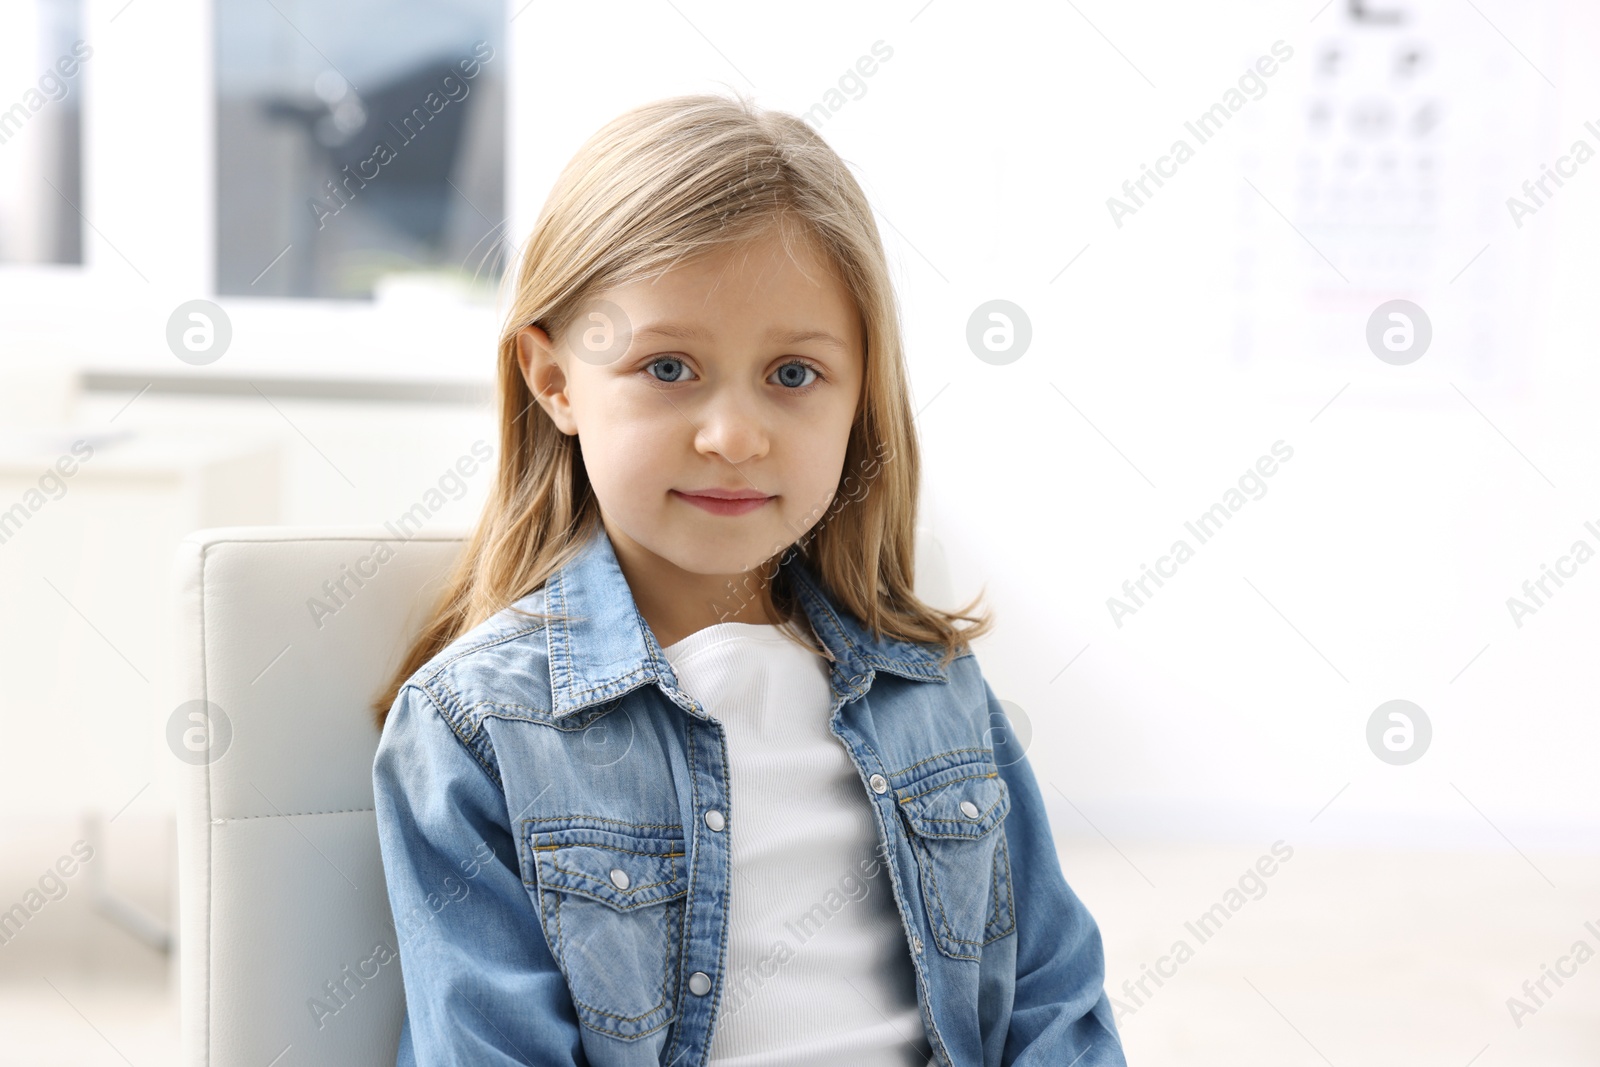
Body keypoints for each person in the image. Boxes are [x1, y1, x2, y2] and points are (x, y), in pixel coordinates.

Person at [370, 91, 1125, 1067]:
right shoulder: (478, 725)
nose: (732, 435)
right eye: (669, 366)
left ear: (861, 397)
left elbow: (1052, 1001)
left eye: (794, 375)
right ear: (554, 380)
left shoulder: (932, 685)